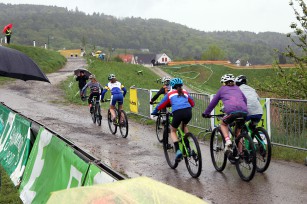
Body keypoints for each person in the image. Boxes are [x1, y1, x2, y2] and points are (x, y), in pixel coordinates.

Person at [151, 78, 195, 162]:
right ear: (181, 85)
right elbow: (192, 103)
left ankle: (178, 150)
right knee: (184, 125)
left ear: (172, 86)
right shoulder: (185, 92)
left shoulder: (170, 93)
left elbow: (161, 105)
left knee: (173, 131)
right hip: (188, 112)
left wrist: (154, 112)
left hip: (178, 113)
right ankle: (189, 147)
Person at [202, 74, 248, 152]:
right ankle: (241, 154)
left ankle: (228, 141)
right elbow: (245, 99)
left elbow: (213, 102)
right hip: (244, 112)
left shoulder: (222, 89)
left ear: (224, 83)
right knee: (238, 133)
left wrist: (206, 113)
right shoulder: (237, 88)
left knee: (223, 124)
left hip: (232, 112)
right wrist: (243, 109)